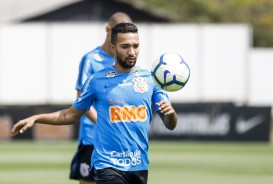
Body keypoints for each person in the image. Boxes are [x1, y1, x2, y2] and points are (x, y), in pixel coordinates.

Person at [10, 22, 177, 184]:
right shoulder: (97, 80)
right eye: (125, 46)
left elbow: (170, 124)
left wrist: (170, 114)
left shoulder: (151, 80)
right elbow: (70, 114)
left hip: (139, 165)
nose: (132, 51)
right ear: (113, 48)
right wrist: (36, 118)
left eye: (136, 46)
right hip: (107, 164)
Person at [70, 12, 132, 184]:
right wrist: (106, 123)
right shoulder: (91, 59)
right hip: (93, 138)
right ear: (108, 29)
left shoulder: (128, 62)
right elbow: (82, 100)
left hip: (119, 141)